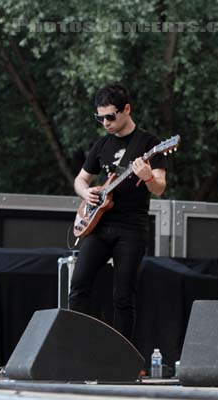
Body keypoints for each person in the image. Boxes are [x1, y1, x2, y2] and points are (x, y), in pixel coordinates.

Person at [69, 83, 167, 341]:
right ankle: (83, 347)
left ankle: (124, 360)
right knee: (78, 286)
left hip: (131, 227)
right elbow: (80, 179)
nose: (105, 122)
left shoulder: (149, 143)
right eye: (99, 117)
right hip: (99, 225)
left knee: (123, 296)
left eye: (110, 116)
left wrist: (147, 177)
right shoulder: (101, 145)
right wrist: (85, 193)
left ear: (126, 109)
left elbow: (159, 188)